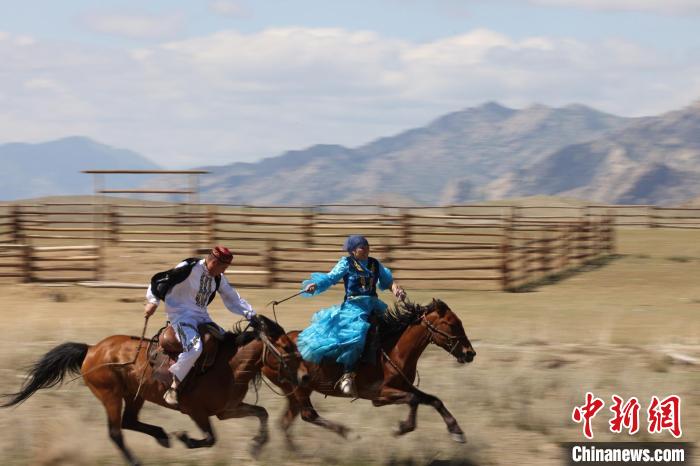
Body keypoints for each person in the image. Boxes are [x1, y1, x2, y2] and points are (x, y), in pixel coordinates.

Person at [144, 246, 257, 407]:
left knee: (227, 342)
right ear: (214, 261)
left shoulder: (218, 277)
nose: (224, 271)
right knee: (194, 347)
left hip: (202, 317)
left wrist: (252, 315)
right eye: (223, 267)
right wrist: (152, 301)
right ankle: (174, 387)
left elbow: (233, 298)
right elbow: (160, 281)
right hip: (181, 316)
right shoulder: (189, 267)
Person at [297, 235, 406, 396]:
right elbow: (330, 278)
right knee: (357, 336)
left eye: (367, 245)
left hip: (373, 305)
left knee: (393, 332)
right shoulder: (346, 263)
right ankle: (347, 375)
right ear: (353, 251)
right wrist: (316, 285)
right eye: (362, 247)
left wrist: (396, 289)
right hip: (353, 307)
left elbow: (388, 280)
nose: (367, 249)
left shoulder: (374, 264)